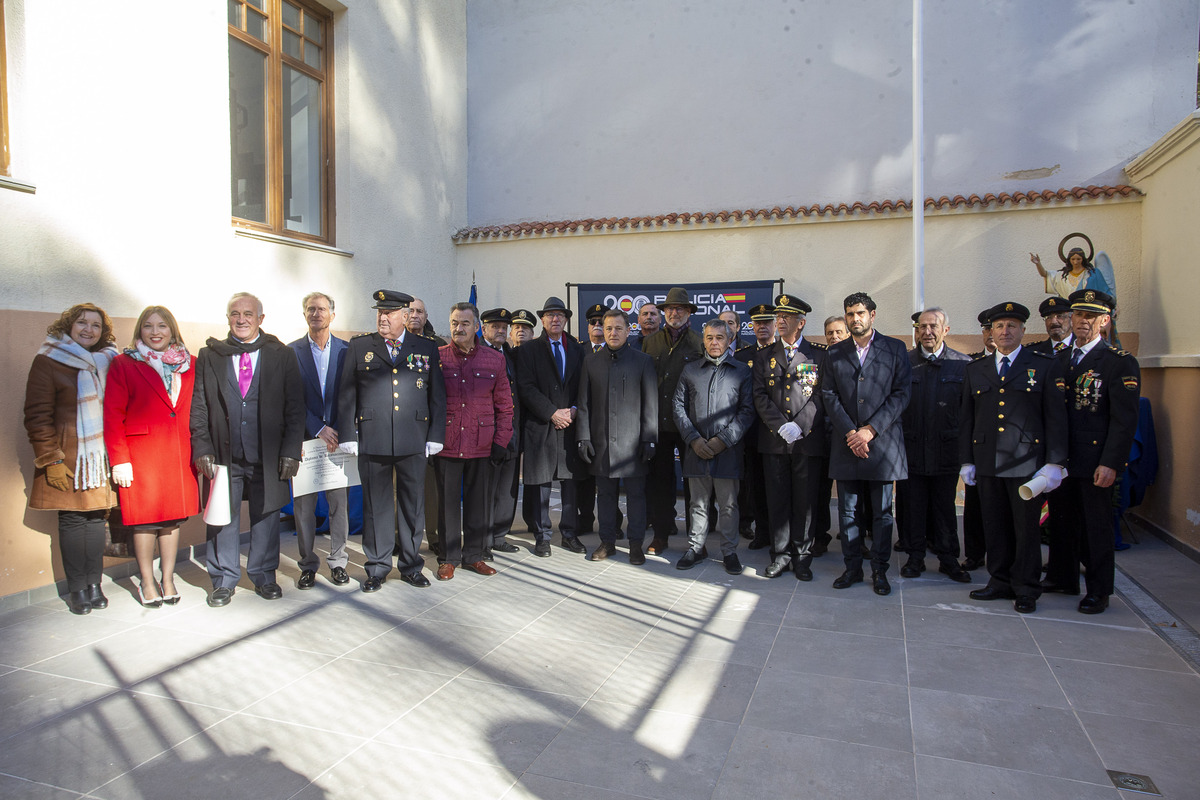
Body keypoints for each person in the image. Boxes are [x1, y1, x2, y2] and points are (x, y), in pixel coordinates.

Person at [191, 293, 304, 607]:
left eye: (248, 314)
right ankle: (223, 579)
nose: (241, 320)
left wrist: (291, 451)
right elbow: (199, 406)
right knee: (220, 518)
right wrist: (202, 447)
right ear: (228, 318)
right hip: (223, 454)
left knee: (266, 515)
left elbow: (295, 407)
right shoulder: (210, 355)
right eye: (234, 314)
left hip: (267, 454)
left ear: (260, 319)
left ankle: (264, 575)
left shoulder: (280, 354)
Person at [959, 302, 1067, 614]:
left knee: (1026, 529)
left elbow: (1056, 418)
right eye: (999, 326)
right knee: (995, 526)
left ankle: (1026, 587)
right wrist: (967, 460)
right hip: (988, 460)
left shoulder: (1043, 365)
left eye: (1012, 326)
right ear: (990, 332)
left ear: (1022, 330)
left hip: (1027, 464)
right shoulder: (975, 369)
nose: (1005, 331)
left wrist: (1055, 462)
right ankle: (1000, 580)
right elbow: (967, 419)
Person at [337, 289, 445, 592]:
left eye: (390, 313)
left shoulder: (425, 347)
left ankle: (411, 565)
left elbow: (437, 395)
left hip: (413, 439)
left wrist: (435, 435)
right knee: (377, 507)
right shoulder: (361, 347)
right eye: (380, 312)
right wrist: (348, 433)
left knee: (413, 506)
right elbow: (346, 394)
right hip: (374, 439)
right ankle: (377, 567)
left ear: (406, 316)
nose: (383, 317)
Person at [1043, 290, 1140, 614]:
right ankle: (1062, 577)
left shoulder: (1117, 362)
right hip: (1061, 459)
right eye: (1078, 315)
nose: (1082, 322)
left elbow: (1124, 420)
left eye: (1090, 317)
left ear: (1104, 321)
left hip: (1095, 461)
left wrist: (1112, 463)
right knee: (1060, 521)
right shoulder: (1058, 359)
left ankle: (1099, 589)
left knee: (1095, 528)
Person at [24, 303, 121, 615]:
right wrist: (50, 460)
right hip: (68, 459)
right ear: (68, 326)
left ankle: (95, 583)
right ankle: (77, 587)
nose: (88, 330)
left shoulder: (110, 360)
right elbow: (37, 416)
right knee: (72, 520)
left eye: (95, 325)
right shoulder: (48, 360)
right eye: (82, 323)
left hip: (100, 457)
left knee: (96, 520)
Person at [104, 306, 199, 607]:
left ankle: (167, 578)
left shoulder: (191, 363)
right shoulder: (124, 364)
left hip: (179, 453)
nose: (156, 332)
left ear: (172, 330)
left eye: (162, 326)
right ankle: (147, 582)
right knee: (144, 522)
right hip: (141, 456)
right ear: (140, 331)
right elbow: (113, 415)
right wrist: (119, 459)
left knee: (171, 521)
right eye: (148, 326)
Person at [821, 292, 911, 596]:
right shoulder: (834, 353)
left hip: (882, 446)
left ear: (872, 314)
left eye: (860, 313)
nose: (854, 319)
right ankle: (853, 568)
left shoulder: (896, 349)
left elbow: (901, 394)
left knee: (882, 513)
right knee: (847, 512)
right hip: (847, 444)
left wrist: (870, 430)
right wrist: (850, 432)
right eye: (849, 314)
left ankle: (880, 571)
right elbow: (829, 396)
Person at [434, 303, 513, 580]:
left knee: (478, 504)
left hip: (482, 444)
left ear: (476, 326)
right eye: (454, 322)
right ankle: (449, 558)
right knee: (447, 505)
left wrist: (501, 441)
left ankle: (474, 556)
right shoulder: (439, 357)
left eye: (465, 323)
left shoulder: (494, 359)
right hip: (447, 442)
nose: (459, 328)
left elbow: (505, 405)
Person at [672, 319, 755, 574]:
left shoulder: (742, 371)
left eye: (720, 337)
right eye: (709, 338)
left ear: (729, 340)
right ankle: (696, 547)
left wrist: (723, 440)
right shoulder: (690, 370)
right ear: (703, 340)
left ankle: (729, 552)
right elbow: (678, 407)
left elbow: (747, 411)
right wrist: (694, 439)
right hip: (696, 450)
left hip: (728, 452)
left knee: (729, 505)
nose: (714, 342)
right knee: (697, 503)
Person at [895, 308, 971, 583]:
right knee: (913, 508)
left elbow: (968, 414)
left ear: (946, 330)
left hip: (945, 451)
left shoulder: (962, 364)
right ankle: (915, 558)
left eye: (933, 326)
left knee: (944, 508)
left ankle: (949, 559)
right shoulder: (903, 362)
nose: (927, 332)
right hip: (911, 450)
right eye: (922, 327)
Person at [576, 309, 658, 564]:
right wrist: (584, 437)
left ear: (628, 330)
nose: (613, 333)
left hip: (634, 444)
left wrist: (650, 438)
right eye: (608, 328)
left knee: (636, 497)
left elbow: (650, 404)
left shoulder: (642, 361)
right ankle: (607, 542)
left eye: (618, 328)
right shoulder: (591, 361)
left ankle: (635, 545)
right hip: (601, 443)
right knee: (606, 496)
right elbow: (584, 402)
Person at [753, 294, 824, 580]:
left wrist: (800, 425)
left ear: (801, 323)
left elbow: (820, 395)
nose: (780, 321)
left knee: (805, 502)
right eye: (778, 317)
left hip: (806, 442)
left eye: (787, 317)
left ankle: (802, 556)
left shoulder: (818, 355)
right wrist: (780, 424)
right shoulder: (764, 356)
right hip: (774, 440)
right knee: (778, 500)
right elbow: (758, 394)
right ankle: (780, 554)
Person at [287, 292, 350, 589]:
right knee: (304, 509)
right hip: (305, 441)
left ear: (332, 315)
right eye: (310, 309)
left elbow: (351, 396)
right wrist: (317, 427)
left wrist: (337, 429)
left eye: (322, 309)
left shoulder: (346, 351)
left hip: (337, 441)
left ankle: (338, 562)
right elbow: (290, 399)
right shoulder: (291, 352)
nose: (316, 314)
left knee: (339, 505)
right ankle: (308, 564)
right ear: (304, 314)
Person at [516, 296, 586, 557]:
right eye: (550, 315)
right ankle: (542, 536)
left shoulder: (579, 350)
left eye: (560, 315)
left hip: (571, 425)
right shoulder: (528, 350)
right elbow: (526, 387)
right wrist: (552, 412)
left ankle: (569, 534)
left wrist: (575, 410)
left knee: (570, 485)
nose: (555, 319)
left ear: (566, 320)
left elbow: (584, 386)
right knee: (541, 484)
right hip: (541, 425)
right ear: (543, 320)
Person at [642, 287, 704, 554]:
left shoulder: (699, 342)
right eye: (670, 309)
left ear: (689, 312)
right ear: (663, 312)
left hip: (689, 426)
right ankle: (661, 535)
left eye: (680, 308)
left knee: (694, 485)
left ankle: (696, 539)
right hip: (660, 425)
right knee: (661, 483)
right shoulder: (650, 343)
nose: (674, 313)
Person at [480, 308, 523, 558]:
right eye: (495, 326)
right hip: (487, 434)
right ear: (483, 328)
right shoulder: (478, 352)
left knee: (507, 487)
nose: (500, 331)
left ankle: (499, 535)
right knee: (486, 489)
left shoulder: (509, 353)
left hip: (511, 430)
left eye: (504, 327)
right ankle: (483, 540)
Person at [734, 303, 776, 548]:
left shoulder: (783, 353)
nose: (762, 326)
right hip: (751, 433)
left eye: (767, 322)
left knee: (777, 485)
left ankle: (778, 530)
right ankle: (760, 532)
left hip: (778, 432)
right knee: (754, 485)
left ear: (774, 325)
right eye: (758, 323)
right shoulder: (742, 356)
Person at [960, 308, 995, 572]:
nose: (994, 333)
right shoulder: (972, 366)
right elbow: (966, 414)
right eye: (988, 329)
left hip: (1014, 453)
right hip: (978, 449)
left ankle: (1002, 561)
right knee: (974, 508)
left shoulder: (1031, 364)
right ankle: (974, 554)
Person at [1031, 247, 1113, 299]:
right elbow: (1045, 274)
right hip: (1067, 310)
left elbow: (1105, 292)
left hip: (1086, 310)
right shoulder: (1062, 275)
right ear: (1069, 260)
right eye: (1073, 259)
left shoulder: (1092, 274)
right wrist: (1038, 263)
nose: (1076, 262)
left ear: (1083, 259)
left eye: (1078, 259)